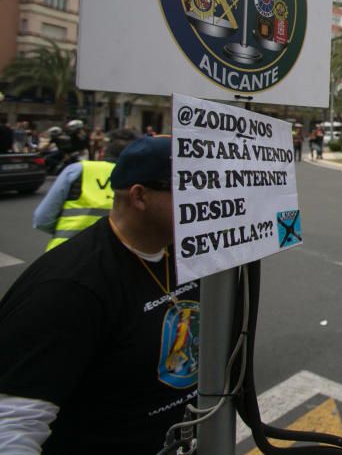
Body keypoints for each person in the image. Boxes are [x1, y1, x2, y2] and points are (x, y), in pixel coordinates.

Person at [0, 136, 199, 453]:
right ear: (139, 196)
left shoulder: (183, 256)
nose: (206, 201)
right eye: (191, 188)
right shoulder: (67, 287)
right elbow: (13, 427)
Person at [32, 128, 138, 251]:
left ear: (104, 151)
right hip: (115, 258)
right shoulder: (142, 180)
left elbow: (42, 219)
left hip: (65, 253)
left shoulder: (77, 170)